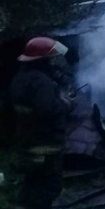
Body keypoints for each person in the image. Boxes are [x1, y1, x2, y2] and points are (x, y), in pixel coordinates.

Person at [9, 37, 73, 209]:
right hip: (46, 144)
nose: (54, 62)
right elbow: (48, 110)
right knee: (49, 187)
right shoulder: (41, 82)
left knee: (32, 182)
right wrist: (65, 103)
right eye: (52, 58)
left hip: (28, 140)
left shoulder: (21, 78)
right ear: (42, 60)